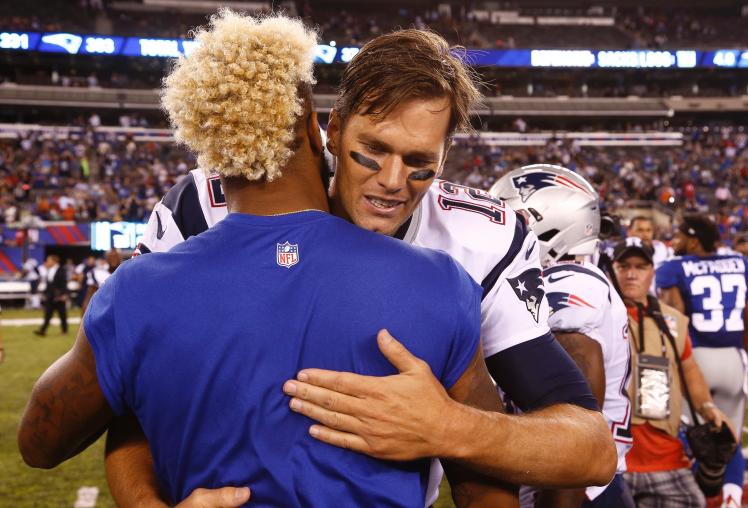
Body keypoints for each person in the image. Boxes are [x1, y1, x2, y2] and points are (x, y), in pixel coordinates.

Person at [18, 12, 513, 507]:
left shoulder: (135, 294)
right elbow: (487, 485)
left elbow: (40, 442)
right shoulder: (438, 282)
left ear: (209, 143)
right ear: (317, 129)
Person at [114, 25, 616, 508]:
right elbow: (124, 399)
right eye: (373, 150)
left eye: (420, 160)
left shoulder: (480, 239)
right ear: (332, 130)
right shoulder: (208, 204)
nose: (394, 181)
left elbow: (592, 449)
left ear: (445, 157)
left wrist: (450, 427)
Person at [489, 165, 633, 507]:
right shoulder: (583, 279)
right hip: (582, 486)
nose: (499, 227)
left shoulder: (569, 282)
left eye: (513, 216)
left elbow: (574, 423)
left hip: (571, 490)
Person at [613, 237, 733, 508]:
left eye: (640, 266)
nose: (632, 274)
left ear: (651, 272)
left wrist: (708, 407)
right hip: (612, 461)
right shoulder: (595, 315)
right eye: (624, 266)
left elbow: (690, 372)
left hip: (665, 458)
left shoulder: (673, 321)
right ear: (613, 270)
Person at [656, 214, 748, 508]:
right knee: (729, 436)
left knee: (685, 434)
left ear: (694, 239)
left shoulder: (675, 267)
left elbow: (675, 317)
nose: (676, 240)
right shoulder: (741, 264)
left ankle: (690, 498)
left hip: (695, 358)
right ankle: (732, 500)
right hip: (734, 358)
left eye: (681, 235)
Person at [33, 254, 68, 336]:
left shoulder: (61, 269)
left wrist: (64, 294)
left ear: (54, 261)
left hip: (59, 296)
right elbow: (48, 283)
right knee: (48, 314)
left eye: (49, 260)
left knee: (62, 314)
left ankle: (64, 331)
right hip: (50, 296)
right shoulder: (48, 270)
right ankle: (42, 330)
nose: (47, 262)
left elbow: (64, 283)